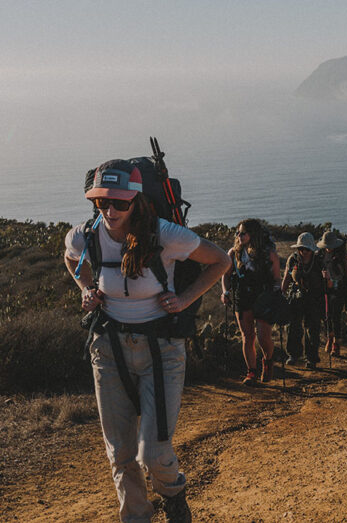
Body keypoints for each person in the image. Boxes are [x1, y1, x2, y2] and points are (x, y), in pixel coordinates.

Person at [64, 159, 230, 522]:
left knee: (152, 453)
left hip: (162, 350)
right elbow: (70, 256)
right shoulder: (85, 235)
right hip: (108, 350)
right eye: (101, 202)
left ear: (136, 200)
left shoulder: (166, 234)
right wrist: (87, 288)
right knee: (120, 454)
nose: (109, 211)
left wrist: (184, 299)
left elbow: (220, 261)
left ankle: (173, 492)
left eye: (119, 203)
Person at [221, 219, 281, 385]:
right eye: (238, 233)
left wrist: (276, 295)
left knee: (263, 337)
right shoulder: (234, 253)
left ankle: (268, 360)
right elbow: (225, 275)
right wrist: (225, 291)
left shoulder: (267, 253)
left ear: (252, 235)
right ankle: (251, 373)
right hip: (242, 297)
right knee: (247, 336)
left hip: (262, 297)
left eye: (243, 233)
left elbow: (277, 277)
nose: (239, 236)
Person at [281, 232, 324, 369]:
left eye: (306, 249)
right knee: (293, 326)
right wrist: (281, 294)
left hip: (314, 298)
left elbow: (326, 282)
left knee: (312, 328)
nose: (303, 252)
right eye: (300, 249)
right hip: (296, 297)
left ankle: (311, 358)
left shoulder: (318, 261)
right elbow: (286, 278)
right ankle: (293, 354)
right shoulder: (292, 259)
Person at [317, 231, 347, 357]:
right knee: (326, 316)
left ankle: (336, 344)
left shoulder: (343, 256)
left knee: (335, 316)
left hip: (339, 290)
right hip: (324, 290)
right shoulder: (319, 255)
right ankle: (330, 337)